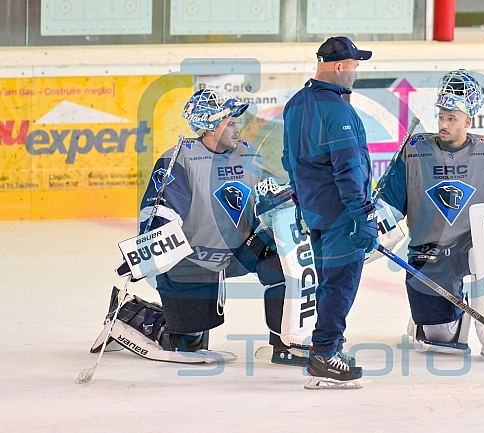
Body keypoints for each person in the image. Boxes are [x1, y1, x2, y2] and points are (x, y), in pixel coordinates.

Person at [91, 87, 302, 365]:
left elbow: (262, 195)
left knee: (286, 268)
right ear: (210, 126)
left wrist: (288, 197)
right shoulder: (180, 158)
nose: (238, 127)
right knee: (187, 342)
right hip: (192, 257)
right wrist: (146, 254)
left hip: (241, 249)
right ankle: (130, 314)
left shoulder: (248, 154)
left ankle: (286, 343)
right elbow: (160, 214)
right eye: (230, 122)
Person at [379, 69, 484, 361]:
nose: (443, 123)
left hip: (477, 243)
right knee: (441, 337)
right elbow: (390, 205)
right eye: (441, 116)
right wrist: (372, 224)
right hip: (431, 247)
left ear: (468, 120)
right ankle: (439, 320)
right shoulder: (415, 151)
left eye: (451, 118)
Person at [281, 36, 377, 388]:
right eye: (353, 66)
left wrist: (305, 201)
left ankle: (328, 347)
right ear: (337, 67)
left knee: (328, 282)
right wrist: (363, 216)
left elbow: (288, 161)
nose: (355, 73)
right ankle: (324, 355)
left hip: (316, 213)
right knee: (340, 284)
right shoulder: (338, 111)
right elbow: (348, 170)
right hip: (342, 216)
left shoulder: (295, 105)